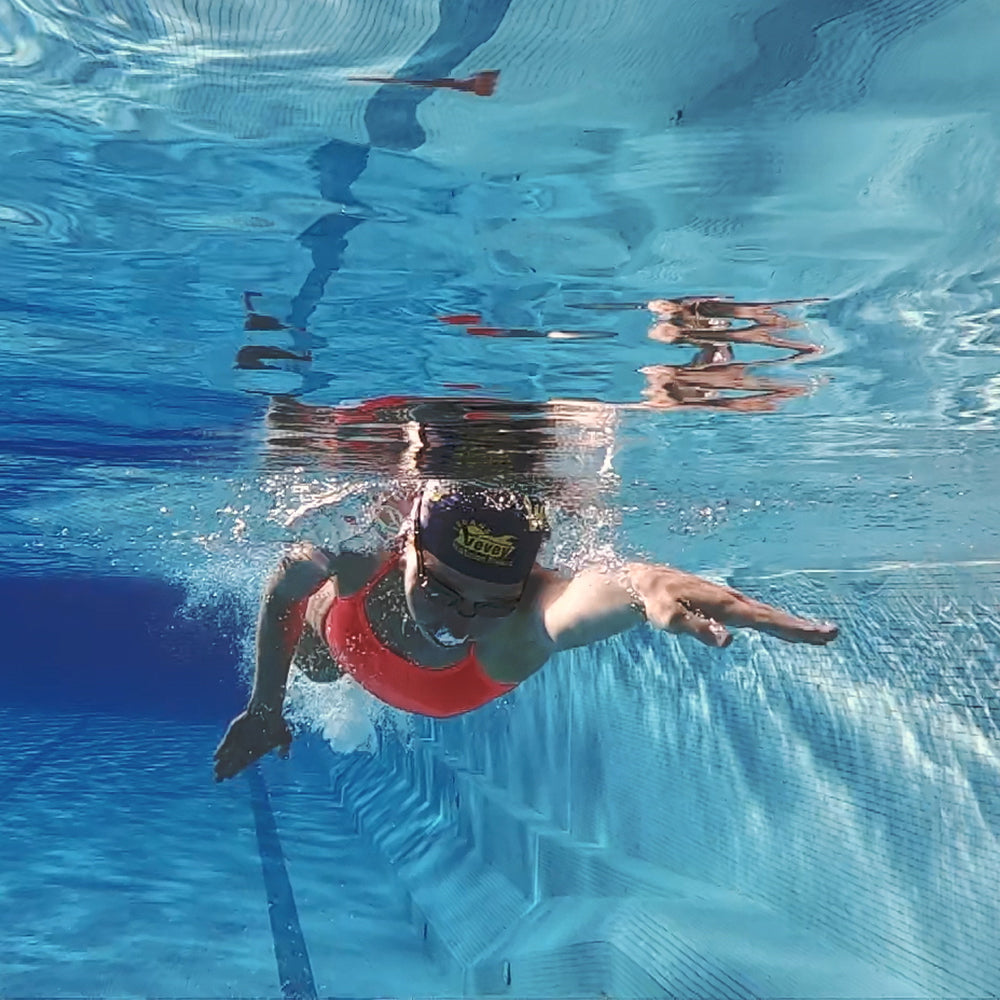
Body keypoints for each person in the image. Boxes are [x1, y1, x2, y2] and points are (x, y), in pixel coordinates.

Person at [213, 480, 838, 782]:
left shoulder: (522, 626)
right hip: (341, 642)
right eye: (440, 591)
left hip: (400, 657)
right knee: (317, 665)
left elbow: (584, 601)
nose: (458, 621)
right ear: (406, 550)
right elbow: (283, 590)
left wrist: (642, 585)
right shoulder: (358, 554)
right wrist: (267, 705)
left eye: (490, 603)